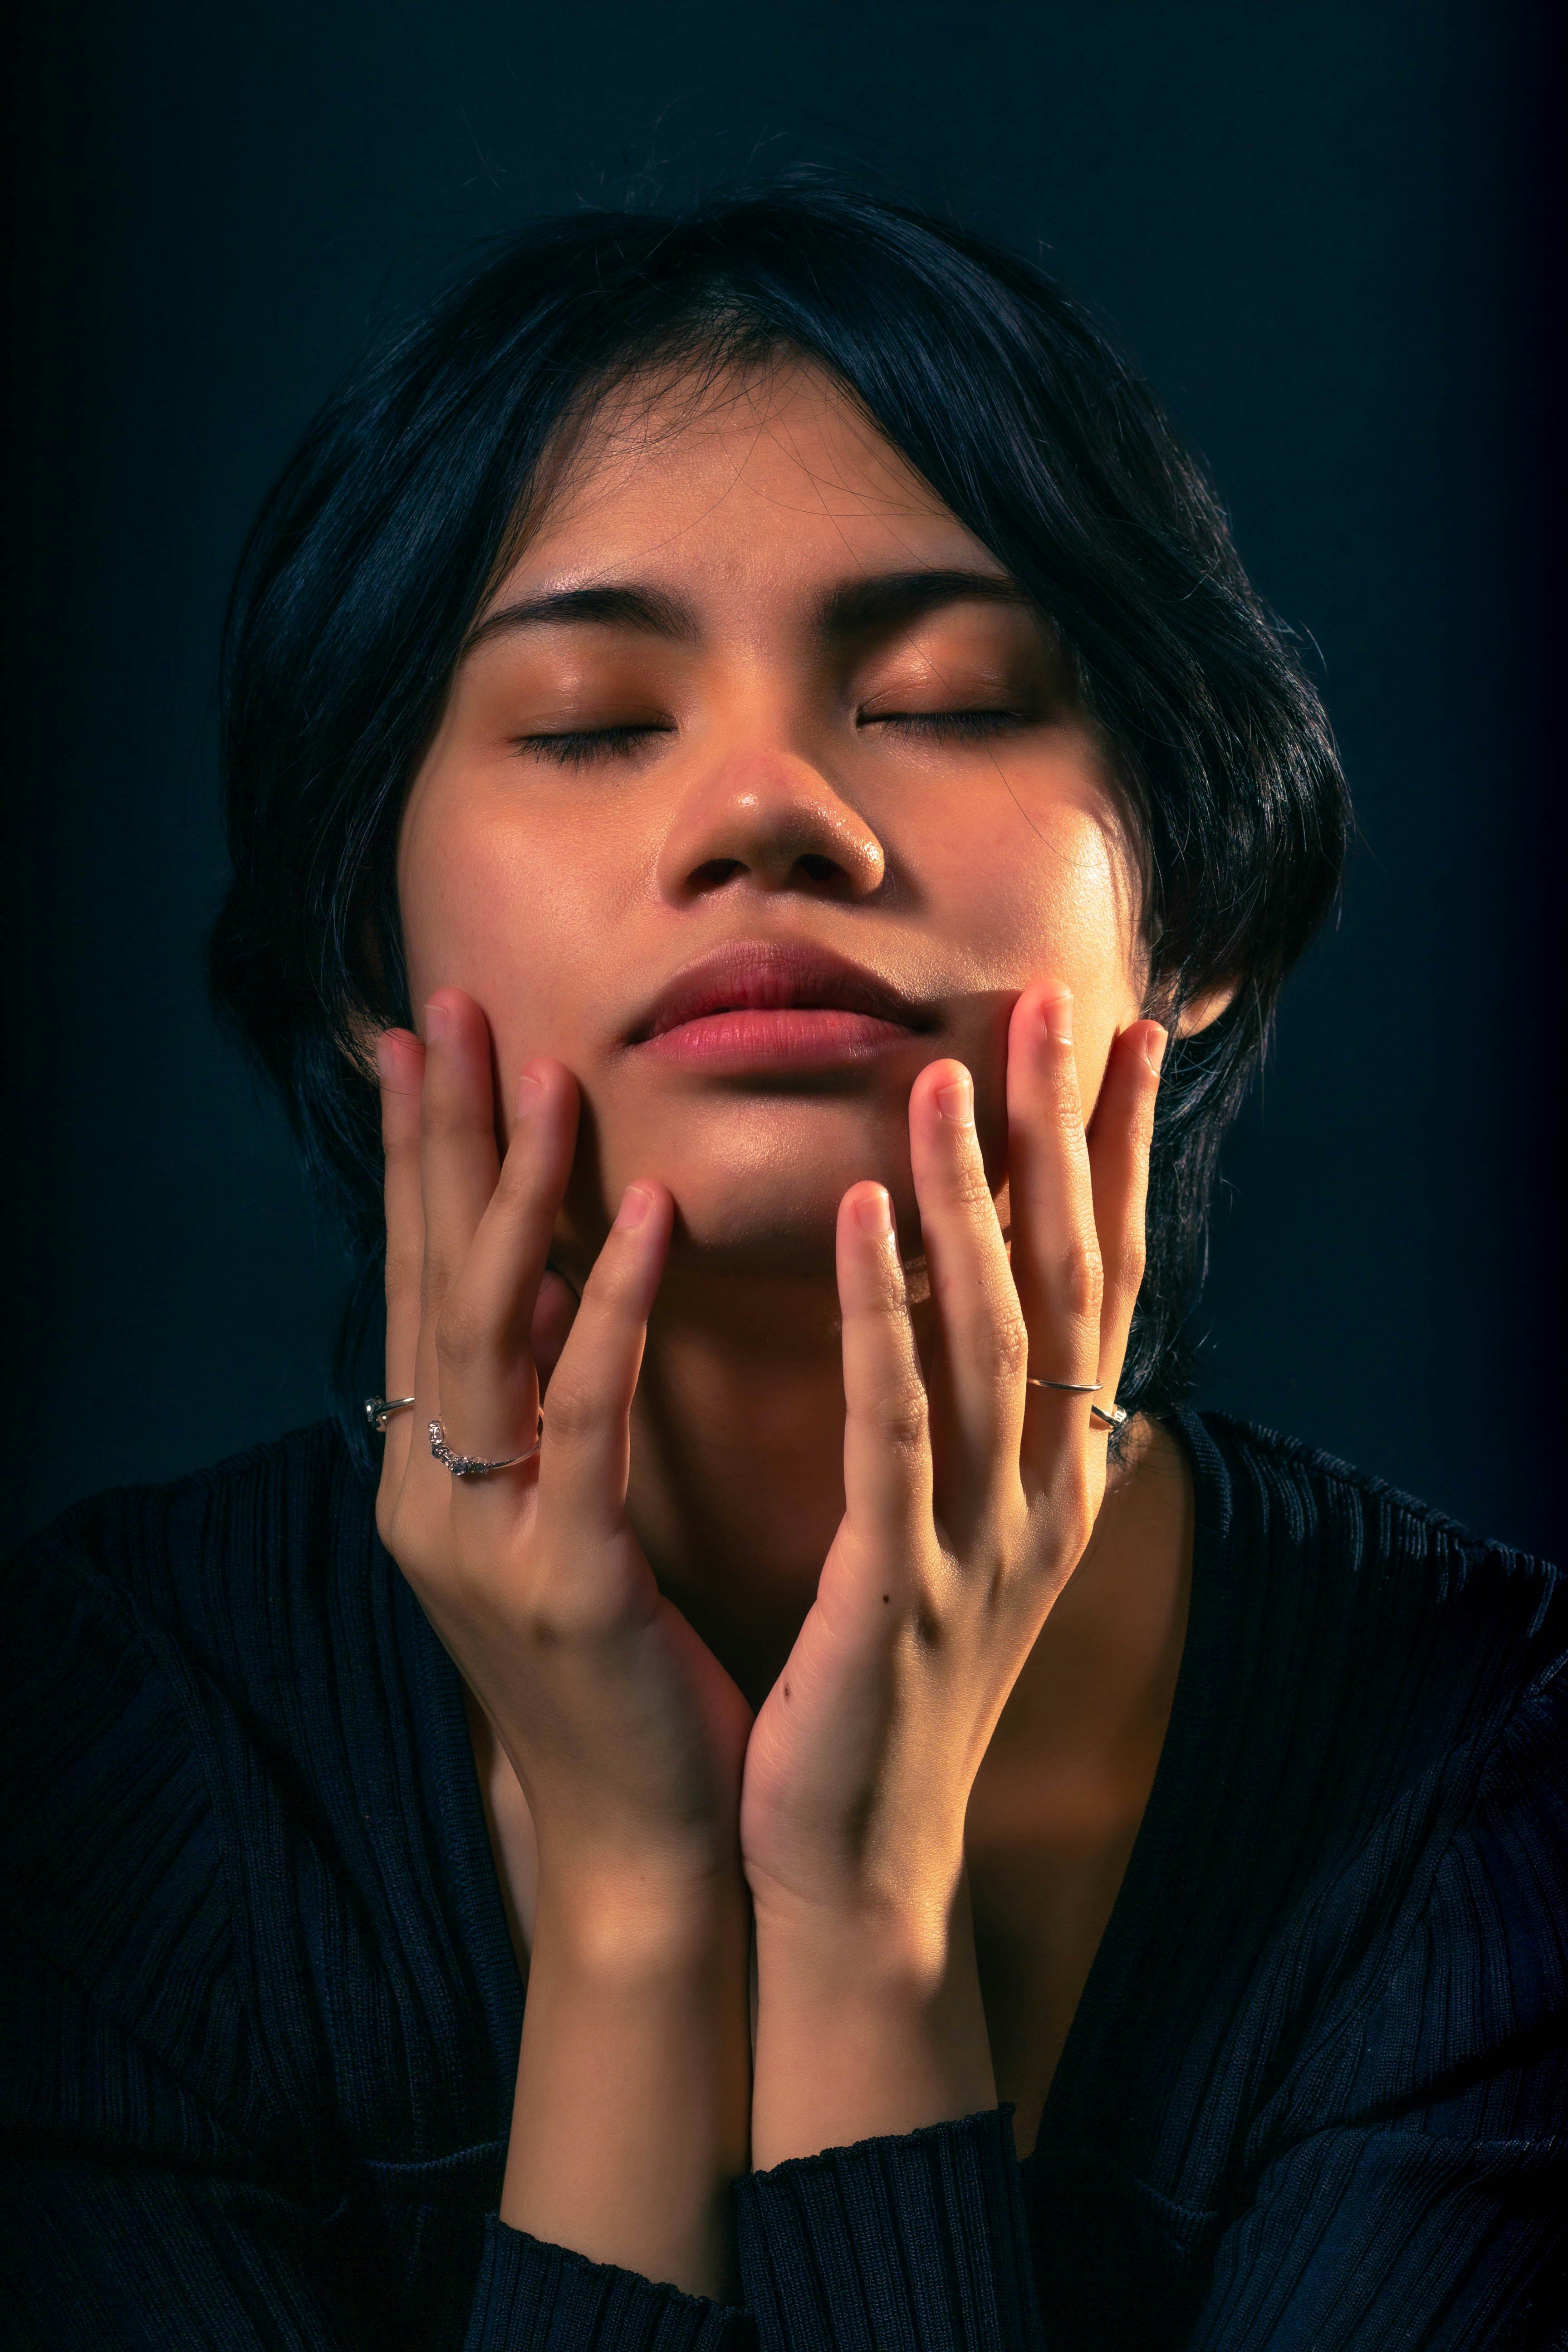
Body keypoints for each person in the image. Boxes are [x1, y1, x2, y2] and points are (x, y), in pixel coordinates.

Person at [4, 183, 1563, 2352]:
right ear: (362, 952)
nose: (770, 807)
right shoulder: (86, 1778)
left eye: (943, 695)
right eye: (587, 720)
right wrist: (639, 1917)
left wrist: (858, 1915)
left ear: (1196, 913)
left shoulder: (1494, 1788)